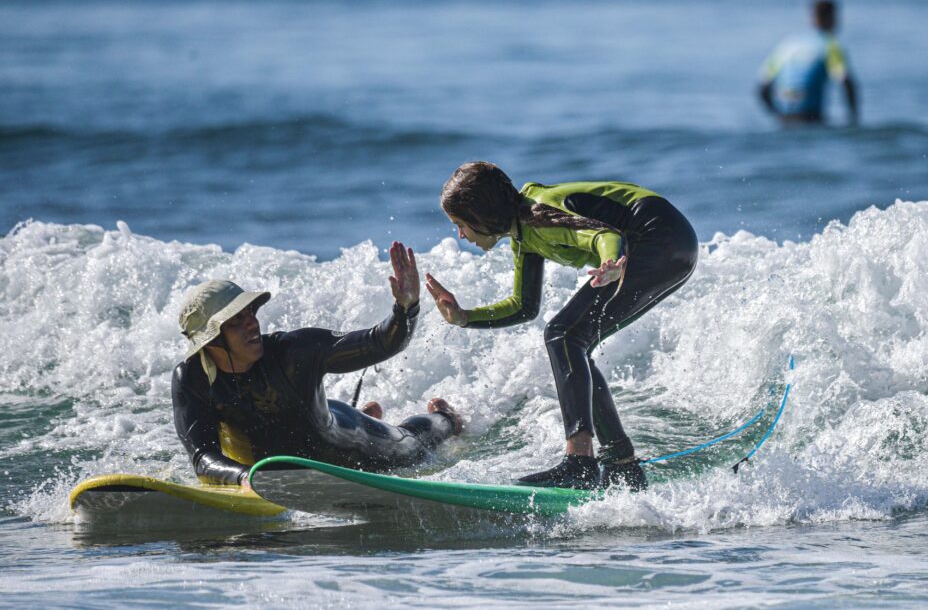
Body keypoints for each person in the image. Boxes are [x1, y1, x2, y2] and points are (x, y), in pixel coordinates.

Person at [424, 163, 698, 491]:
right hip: (670, 243)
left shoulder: (540, 215)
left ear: (481, 214)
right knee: (571, 340)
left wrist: (610, 264)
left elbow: (605, 236)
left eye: (460, 225)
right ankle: (621, 465)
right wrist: (464, 317)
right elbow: (523, 307)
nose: (461, 236)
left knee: (564, 335)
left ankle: (579, 462)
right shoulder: (524, 233)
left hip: (657, 236)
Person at [172, 241, 462, 486]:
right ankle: (368, 412)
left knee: (412, 445)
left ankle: (445, 417)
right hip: (266, 468)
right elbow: (203, 457)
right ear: (211, 340)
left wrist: (406, 308)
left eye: (251, 313)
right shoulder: (193, 378)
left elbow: (380, 342)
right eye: (237, 320)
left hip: (348, 446)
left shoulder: (293, 351)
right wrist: (246, 479)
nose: (252, 324)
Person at [758, 0, 859, 125]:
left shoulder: (788, 45)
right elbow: (846, 81)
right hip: (811, 117)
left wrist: (776, 115)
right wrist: (854, 119)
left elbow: (762, 88)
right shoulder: (831, 45)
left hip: (785, 117)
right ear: (832, 18)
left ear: (812, 17)